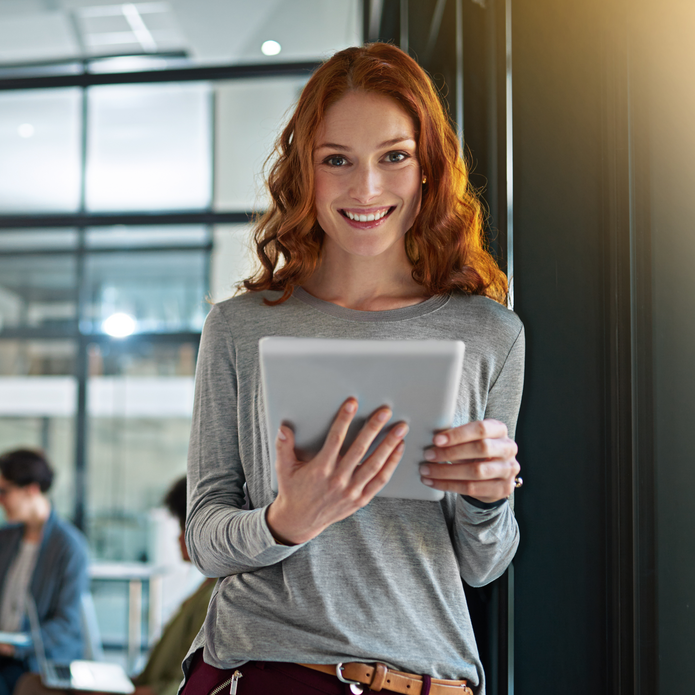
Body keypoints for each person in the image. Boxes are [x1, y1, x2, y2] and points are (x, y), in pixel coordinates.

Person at [182, 42, 524, 695]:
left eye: (392, 157)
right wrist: (286, 519)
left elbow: (483, 564)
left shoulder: (489, 333)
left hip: (432, 678)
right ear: (304, 174)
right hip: (269, 669)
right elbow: (205, 537)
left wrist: (488, 496)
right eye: (336, 160)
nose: (365, 188)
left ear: (426, 168)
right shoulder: (240, 326)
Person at [14, 477, 216, 695]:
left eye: (181, 527)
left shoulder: (211, 601)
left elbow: (180, 686)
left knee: (32, 687)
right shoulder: (202, 591)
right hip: (139, 685)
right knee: (34, 683)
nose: (177, 538)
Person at [0, 449, 89, 695]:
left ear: (31, 489)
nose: (1, 500)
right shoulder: (5, 539)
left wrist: (17, 645)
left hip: (38, 658)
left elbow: (66, 622)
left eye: (4, 491)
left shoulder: (69, 547)